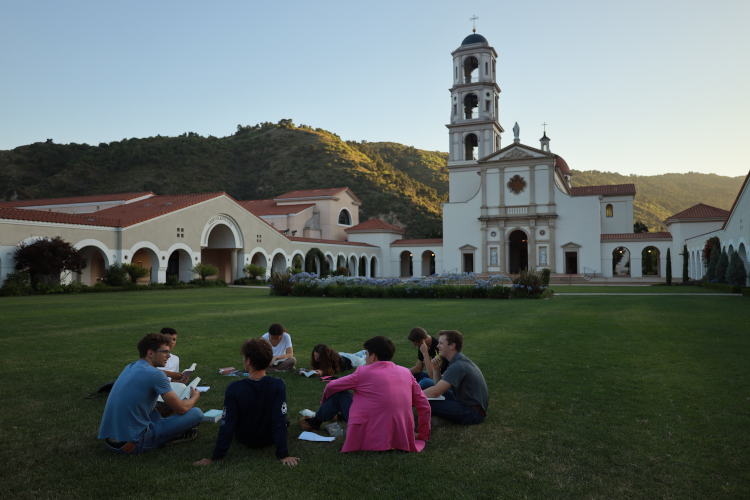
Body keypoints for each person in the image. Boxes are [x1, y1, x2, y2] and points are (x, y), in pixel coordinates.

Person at [299, 336, 431, 452]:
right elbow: (424, 405)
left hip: (370, 433)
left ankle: (314, 421)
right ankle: (329, 417)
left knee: (340, 395)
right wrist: (423, 434)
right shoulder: (406, 372)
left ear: (373, 357)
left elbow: (331, 386)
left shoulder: (362, 372)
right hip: (400, 434)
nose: (366, 357)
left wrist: (324, 403)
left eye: (366, 354)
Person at [194, 338, 300, 467]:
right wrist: (283, 454)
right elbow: (279, 420)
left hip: (245, 438)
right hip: (269, 438)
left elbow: (228, 423)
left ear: (248, 361)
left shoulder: (234, 388)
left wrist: (216, 457)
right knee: (283, 420)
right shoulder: (278, 384)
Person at [98, 332, 203, 454]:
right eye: (165, 352)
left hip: (111, 442)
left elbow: (139, 401)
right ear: (150, 353)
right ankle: (171, 436)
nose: (169, 356)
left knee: (154, 407)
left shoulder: (131, 367)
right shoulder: (156, 375)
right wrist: (194, 397)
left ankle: (168, 433)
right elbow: (180, 409)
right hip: (133, 443)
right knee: (197, 413)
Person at [423, 330, 489, 425]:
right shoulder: (457, 361)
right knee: (427, 387)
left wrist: (411, 397)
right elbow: (439, 385)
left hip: (473, 413)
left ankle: (445, 419)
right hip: (463, 400)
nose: (437, 346)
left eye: (441, 343)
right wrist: (436, 368)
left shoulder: (458, 365)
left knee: (427, 403)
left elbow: (436, 391)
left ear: (452, 346)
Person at [302, 344, 367, 376]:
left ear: (324, 357)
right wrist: (305, 371)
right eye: (314, 356)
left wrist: (322, 372)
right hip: (344, 355)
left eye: (318, 358)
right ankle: (366, 351)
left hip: (352, 361)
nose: (315, 359)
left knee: (365, 359)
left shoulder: (335, 361)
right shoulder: (329, 356)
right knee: (358, 354)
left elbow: (332, 370)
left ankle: (372, 352)